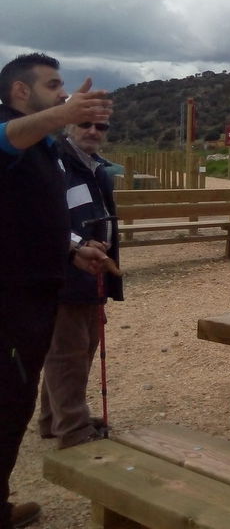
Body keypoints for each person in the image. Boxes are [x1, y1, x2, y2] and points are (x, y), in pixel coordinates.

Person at [0, 53, 112, 529]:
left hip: (39, 291)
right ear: (20, 92)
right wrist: (64, 115)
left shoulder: (42, 146)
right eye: (53, 85)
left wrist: (72, 250)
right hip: (9, 298)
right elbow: (7, 137)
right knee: (5, 401)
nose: (63, 93)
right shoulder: (11, 134)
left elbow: (32, 215)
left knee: (16, 401)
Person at [38, 120, 124, 450]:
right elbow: (44, 218)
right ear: (69, 125)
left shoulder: (95, 167)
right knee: (68, 353)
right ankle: (73, 429)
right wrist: (77, 245)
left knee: (78, 347)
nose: (93, 131)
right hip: (65, 274)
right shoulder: (56, 164)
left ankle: (54, 419)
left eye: (101, 125)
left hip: (91, 273)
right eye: (85, 124)